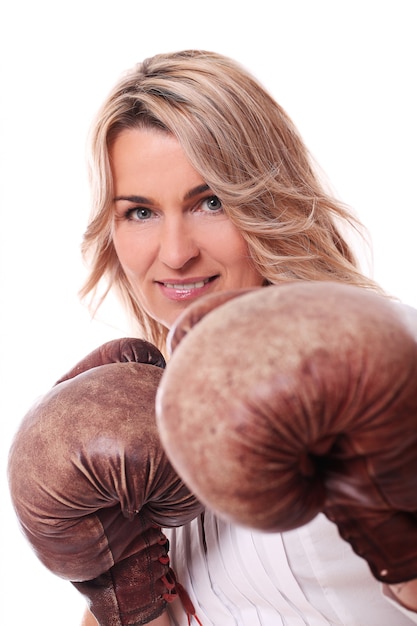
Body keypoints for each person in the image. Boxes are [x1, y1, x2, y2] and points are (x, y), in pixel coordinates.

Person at [9, 50, 417, 625]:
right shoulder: (149, 430)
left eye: (211, 202)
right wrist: (125, 593)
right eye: (140, 213)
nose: (176, 254)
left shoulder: (381, 359)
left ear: (268, 202)